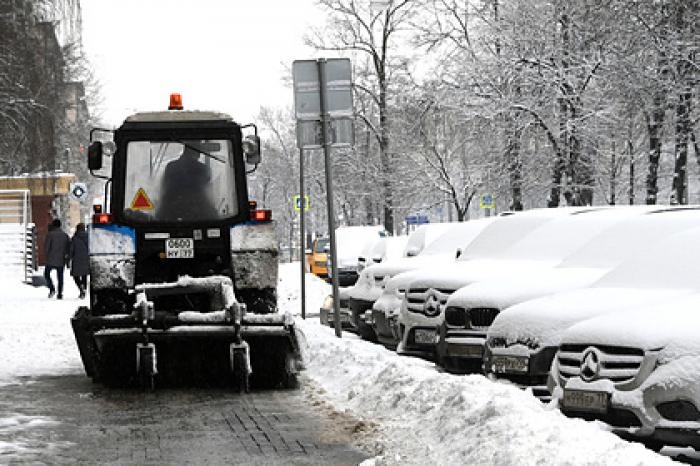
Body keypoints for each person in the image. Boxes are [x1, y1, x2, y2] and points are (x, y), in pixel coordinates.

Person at [156, 143, 217, 221]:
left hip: (170, 214)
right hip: (198, 213)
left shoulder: (171, 166)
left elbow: (163, 190)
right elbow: (207, 193)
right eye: (199, 152)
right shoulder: (203, 169)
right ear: (197, 153)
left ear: (185, 151)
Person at [44, 219, 70, 299]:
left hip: (51, 259)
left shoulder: (50, 235)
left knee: (47, 274)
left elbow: (46, 247)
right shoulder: (65, 235)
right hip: (61, 259)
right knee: (60, 277)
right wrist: (67, 258)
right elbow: (68, 247)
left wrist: (47, 255)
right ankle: (60, 293)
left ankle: (52, 288)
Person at [69, 223, 89, 299]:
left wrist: (69, 258)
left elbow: (71, 250)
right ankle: (84, 289)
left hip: (76, 259)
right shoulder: (88, 237)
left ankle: (81, 288)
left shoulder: (74, 238)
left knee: (75, 276)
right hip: (86, 259)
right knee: (84, 276)